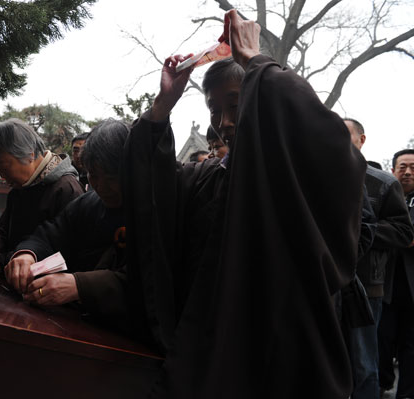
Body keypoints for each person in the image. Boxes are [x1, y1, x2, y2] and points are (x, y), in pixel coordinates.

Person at [123, 10, 366, 398]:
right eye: (215, 110)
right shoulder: (207, 177)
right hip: (213, 354)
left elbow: (332, 146)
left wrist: (256, 62)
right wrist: (163, 106)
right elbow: (152, 191)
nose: (224, 122)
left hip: (277, 359)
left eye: (236, 105)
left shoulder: (287, 182)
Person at [6, 119, 129, 329]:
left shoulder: (153, 210)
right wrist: (27, 254)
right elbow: (51, 234)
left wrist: (80, 287)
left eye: (110, 177)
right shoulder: (89, 203)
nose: (100, 186)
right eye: (93, 175)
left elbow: (148, 280)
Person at [343, 119, 413, 399]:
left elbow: (402, 230)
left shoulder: (382, 183)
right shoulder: (313, 176)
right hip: (324, 283)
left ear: (361, 140)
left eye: (344, 134)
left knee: (363, 362)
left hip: (367, 286)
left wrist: (357, 229)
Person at [0, 118, 83, 274]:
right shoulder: (19, 188)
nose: (2, 175)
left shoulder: (67, 189)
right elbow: (6, 235)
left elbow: (64, 253)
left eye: (4, 167)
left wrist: (3, 261)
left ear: (30, 155)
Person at [378, 149, 414, 398]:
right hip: (383, 284)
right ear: (392, 171)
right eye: (402, 167)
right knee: (381, 340)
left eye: (413, 167)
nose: (408, 172)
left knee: (411, 347)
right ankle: (382, 384)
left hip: (412, 289)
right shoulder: (382, 196)